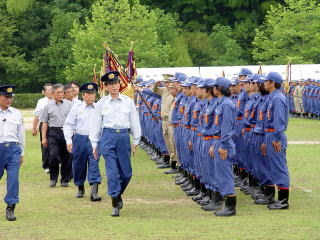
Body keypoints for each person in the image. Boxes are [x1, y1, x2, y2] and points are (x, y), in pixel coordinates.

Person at [90, 71, 141, 217]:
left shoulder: (128, 101)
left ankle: (118, 194)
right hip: (107, 136)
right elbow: (96, 124)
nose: (114, 86)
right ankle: (114, 202)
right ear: (106, 87)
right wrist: (94, 143)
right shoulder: (101, 103)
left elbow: (134, 121)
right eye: (111, 84)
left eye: (116, 83)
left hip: (124, 137)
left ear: (120, 84)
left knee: (126, 173)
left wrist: (136, 140)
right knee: (112, 171)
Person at [63, 83, 102, 201]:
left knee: (94, 164)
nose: (91, 96)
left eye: (93, 94)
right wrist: (69, 140)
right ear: (83, 95)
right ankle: (80, 187)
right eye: (88, 94)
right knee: (78, 165)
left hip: (94, 140)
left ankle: (94, 192)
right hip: (79, 139)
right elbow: (68, 125)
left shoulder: (99, 109)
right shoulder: (76, 109)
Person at [262, 72, 290, 210]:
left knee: (279, 168)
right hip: (270, 135)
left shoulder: (277, 98)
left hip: (275, 136)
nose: (264, 83)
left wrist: (277, 138)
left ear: (272, 83)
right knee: (273, 167)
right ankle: (280, 199)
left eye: (266, 81)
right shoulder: (272, 97)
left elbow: (278, 120)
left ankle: (284, 200)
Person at [0, 85, 25, 221]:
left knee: (13, 179)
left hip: (13, 150)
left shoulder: (16, 113)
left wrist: (21, 153)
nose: (9, 100)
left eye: (11, 97)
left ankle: (10, 207)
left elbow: (21, 134)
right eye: (6, 97)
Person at [40, 84, 73, 187]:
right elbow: (44, 123)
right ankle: (53, 178)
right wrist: (44, 137)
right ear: (53, 94)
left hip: (67, 133)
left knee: (67, 157)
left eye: (62, 92)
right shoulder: (48, 106)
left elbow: (74, 120)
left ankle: (65, 180)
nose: (60, 94)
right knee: (54, 155)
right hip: (53, 133)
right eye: (57, 92)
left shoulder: (69, 104)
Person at [32, 83, 53, 173]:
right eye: (48, 90)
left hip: (55, 126)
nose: (50, 91)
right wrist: (34, 128)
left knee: (55, 145)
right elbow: (37, 116)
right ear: (44, 92)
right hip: (44, 125)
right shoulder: (41, 101)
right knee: (45, 145)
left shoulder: (58, 100)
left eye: (51, 89)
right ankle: (46, 165)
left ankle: (54, 163)